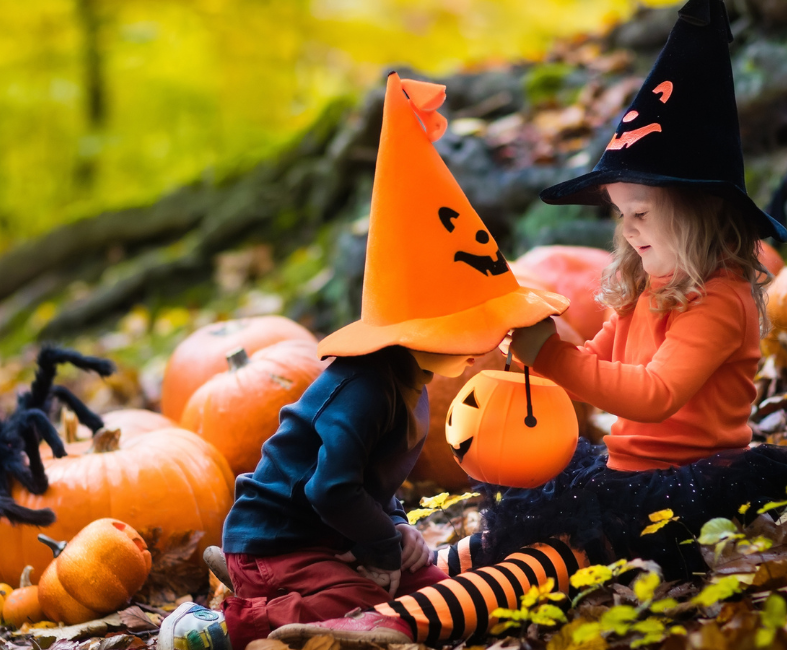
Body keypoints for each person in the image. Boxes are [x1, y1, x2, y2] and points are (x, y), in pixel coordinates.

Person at [273, 0, 787, 645]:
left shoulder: (720, 299)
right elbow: (603, 356)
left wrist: (557, 358)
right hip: (627, 469)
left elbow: (653, 395)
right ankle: (327, 597)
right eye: (621, 213)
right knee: (503, 535)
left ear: (702, 212)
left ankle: (384, 626)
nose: (627, 228)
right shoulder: (649, 286)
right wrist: (554, 338)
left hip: (689, 480)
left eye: (643, 213)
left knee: (549, 562)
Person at [210, 71, 569, 650]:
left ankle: (284, 593)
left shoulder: (411, 378)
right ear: (415, 332)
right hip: (279, 539)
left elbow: (371, 480)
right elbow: (331, 488)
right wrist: (379, 546)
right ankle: (234, 620)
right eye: (466, 330)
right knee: (370, 605)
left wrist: (397, 531)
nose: (480, 346)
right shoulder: (363, 389)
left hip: (332, 535)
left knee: (425, 585)